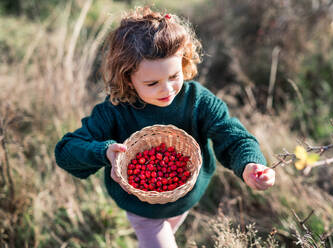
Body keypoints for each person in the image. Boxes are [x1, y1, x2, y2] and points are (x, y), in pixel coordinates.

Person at [54, 7, 275, 248]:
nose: (167, 89)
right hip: (141, 209)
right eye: (152, 83)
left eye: (174, 76)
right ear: (128, 78)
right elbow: (66, 150)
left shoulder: (198, 101)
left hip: (184, 199)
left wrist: (250, 164)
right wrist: (104, 152)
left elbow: (233, 136)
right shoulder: (115, 110)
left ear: (184, 62)